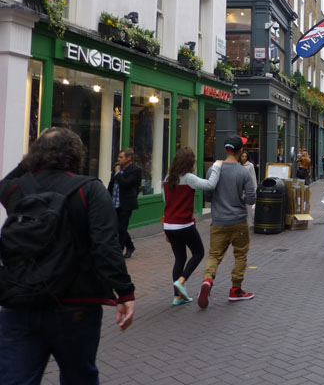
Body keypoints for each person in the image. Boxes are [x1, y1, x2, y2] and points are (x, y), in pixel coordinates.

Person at [0, 127, 136, 383]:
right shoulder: (90, 190)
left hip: (20, 300)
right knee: (79, 377)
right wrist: (125, 292)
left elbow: (8, 179)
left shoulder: (15, 190)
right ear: (76, 155)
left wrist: (35, 151)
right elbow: (105, 245)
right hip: (76, 302)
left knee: (15, 378)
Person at [197, 136, 257, 308]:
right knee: (240, 254)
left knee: (214, 255)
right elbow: (251, 199)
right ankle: (236, 289)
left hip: (218, 220)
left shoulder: (214, 170)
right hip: (238, 220)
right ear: (240, 151)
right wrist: (240, 197)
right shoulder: (244, 172)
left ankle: (207, 280)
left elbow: (208, 195)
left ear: (226, 149)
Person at [163, 148, 222, 305]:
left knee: (180, 258)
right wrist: (216, 167)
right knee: (198, 252)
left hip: (169, 224)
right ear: (190, 162)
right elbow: (210, 184)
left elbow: (165, 200)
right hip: (184, 223)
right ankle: (181, 281)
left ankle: (178, 297)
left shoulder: (168, 178)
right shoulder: (189, 178)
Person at [108, 148, 142, 258]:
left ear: (129, 158)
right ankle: (130, 246)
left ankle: (119, 251)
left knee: (122, 227)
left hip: (126, 203)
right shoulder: (117, 167)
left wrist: (118, 173)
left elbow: (126, 183)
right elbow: (112, 183)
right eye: (118, 157)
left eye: (121, 157)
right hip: (114, 201)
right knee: (117, 226)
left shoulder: (135, 170)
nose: (118, 159)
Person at [240, 150, 258, 226]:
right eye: (242, 156)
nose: (244, 158)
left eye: (245, 156)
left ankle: (250, 223)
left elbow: (253, 177)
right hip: (239, 188)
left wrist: (254, 189)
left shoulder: (250, 165)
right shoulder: (237, 165)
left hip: (247, 188)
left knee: (249, 207)